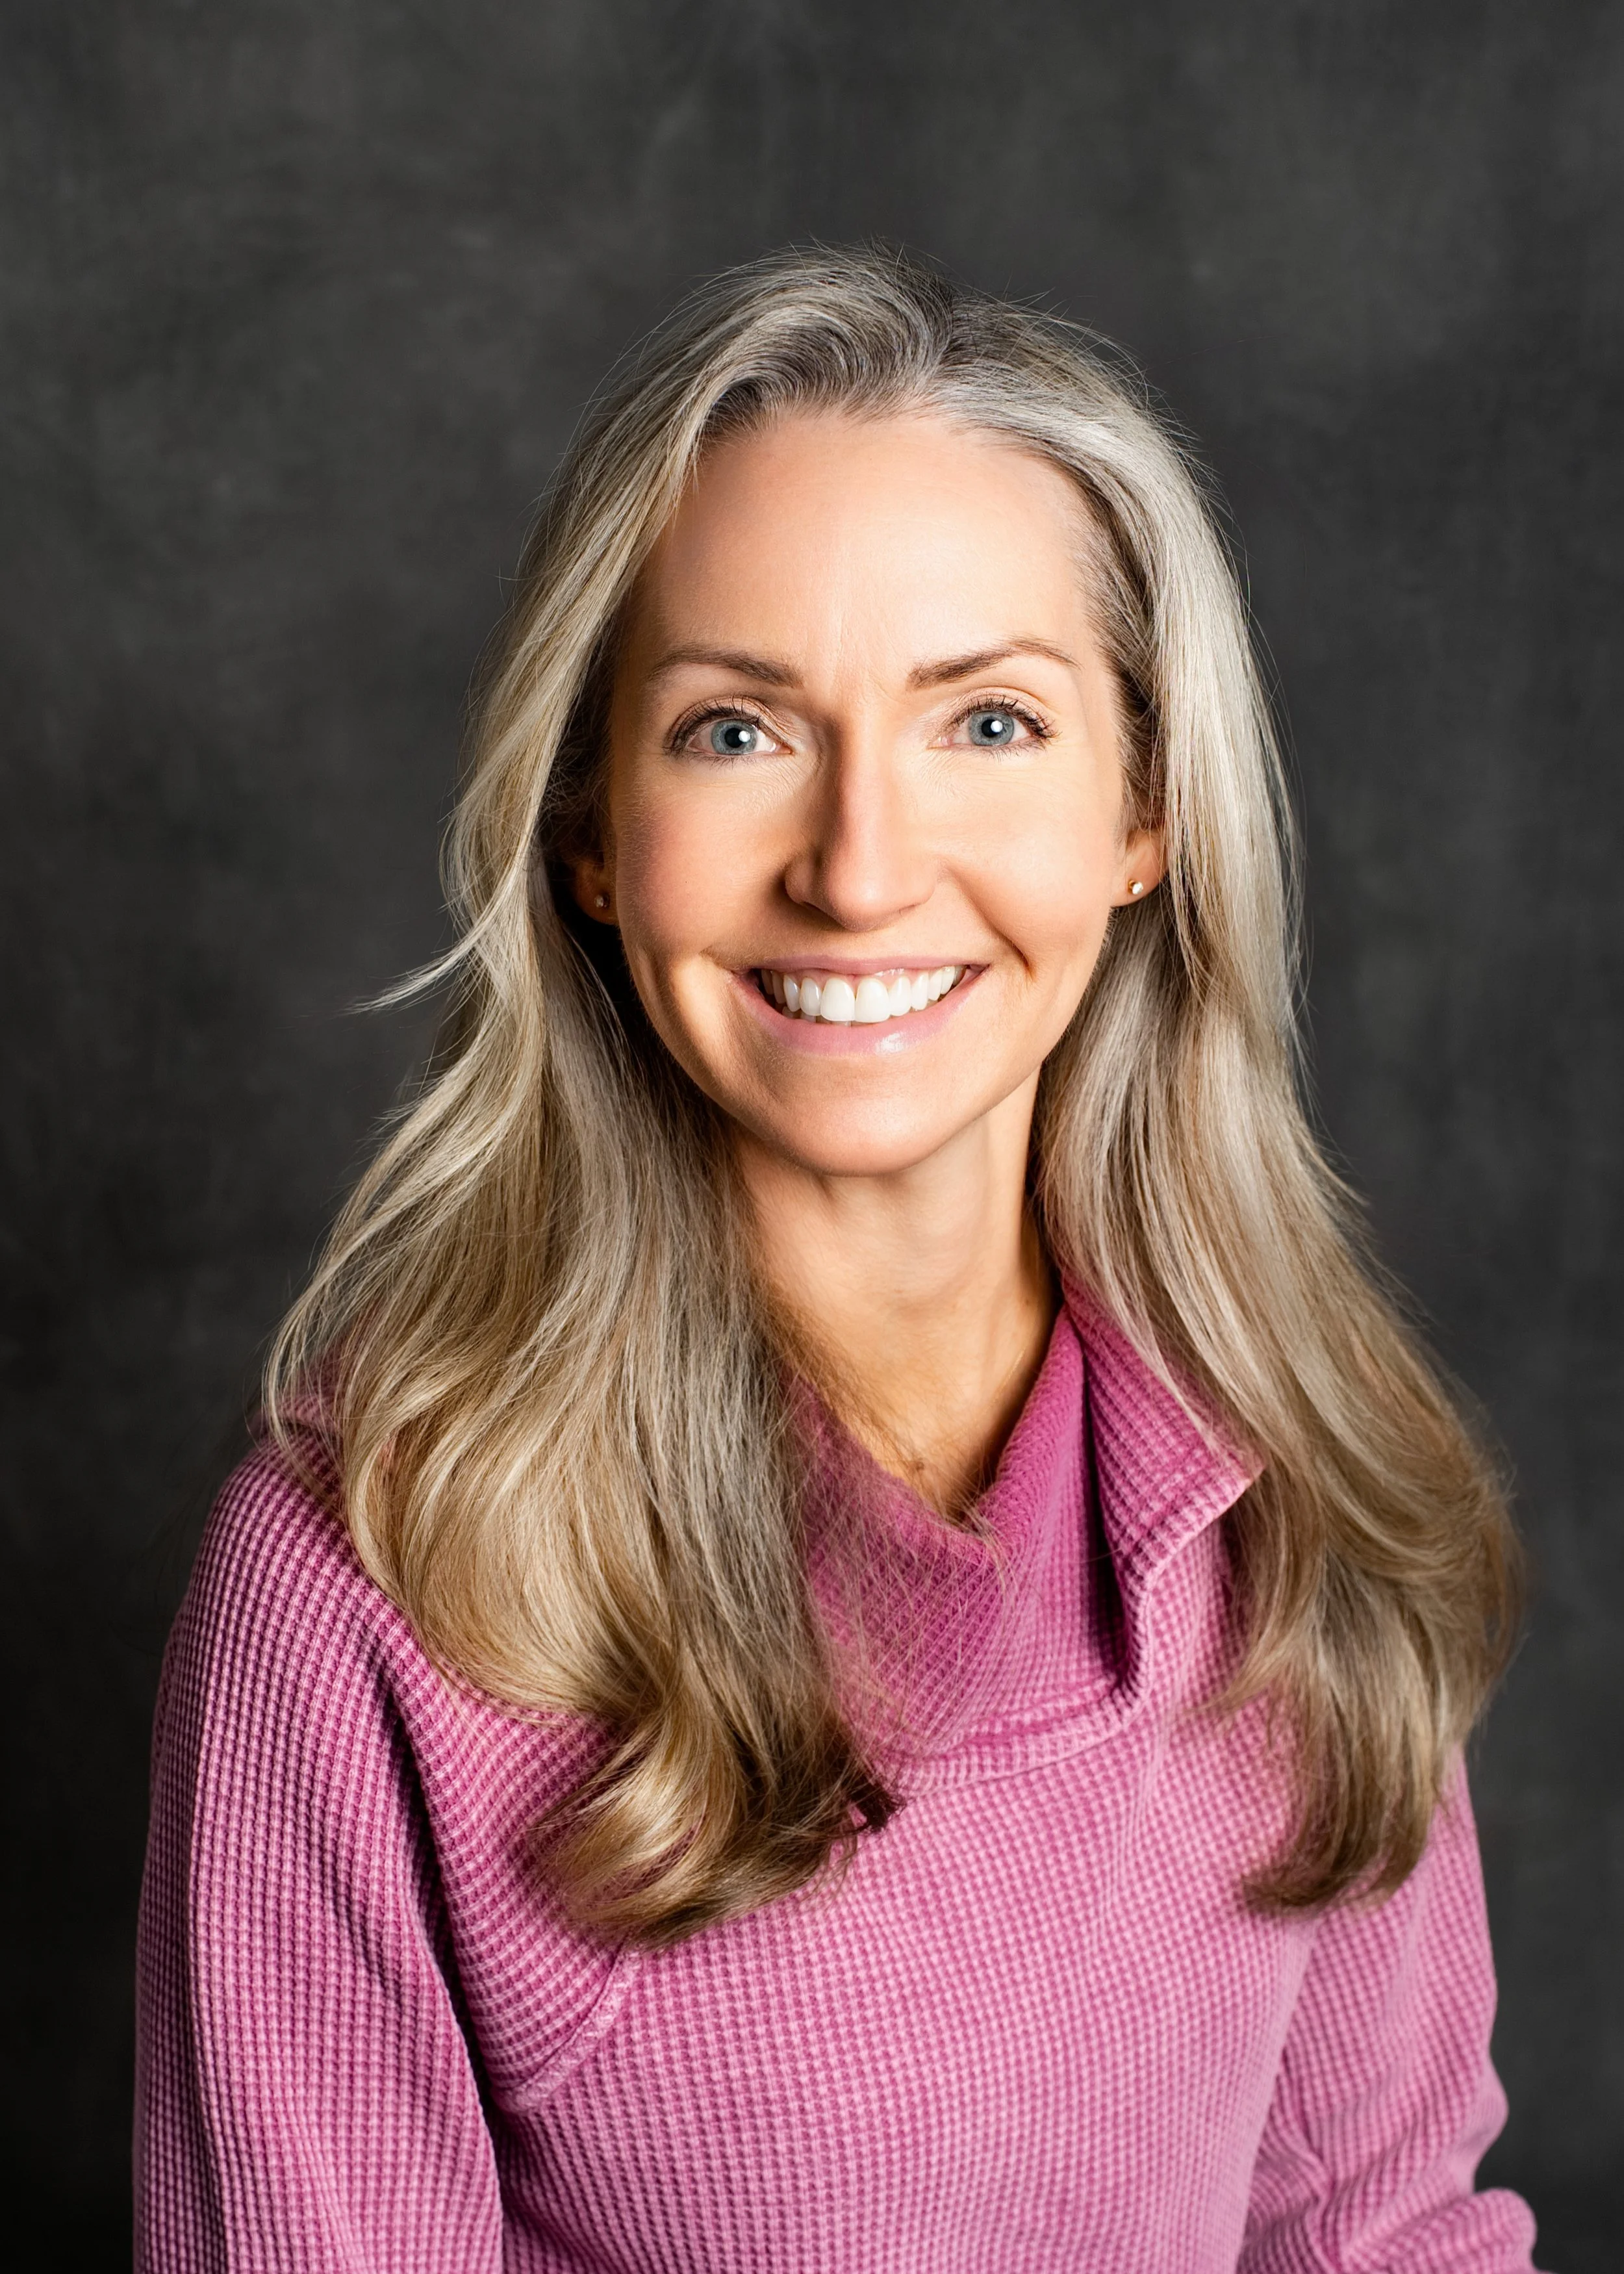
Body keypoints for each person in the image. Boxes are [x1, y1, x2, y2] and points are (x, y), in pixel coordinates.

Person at [135, 247, 1542, 2272]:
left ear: (1143, 810)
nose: (860, 865)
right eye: (735, 730)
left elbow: (1388, 2231)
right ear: (590, 831)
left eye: (988, 719)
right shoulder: (364, 1581)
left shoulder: (1289, 1487)